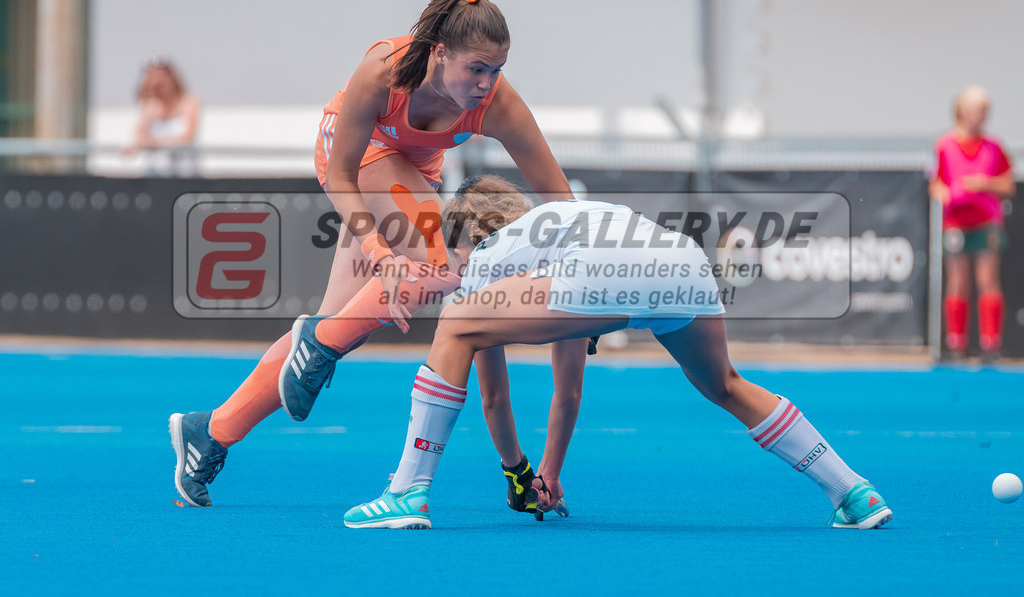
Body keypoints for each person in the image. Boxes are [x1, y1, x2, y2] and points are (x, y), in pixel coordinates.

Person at [169, 0, 583, 508]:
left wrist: (580, 275)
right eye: (476, 69)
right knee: (437, 263)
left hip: (412, 173)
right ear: (439, 53)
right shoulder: (385, 70)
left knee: (346, 317)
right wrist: (381, 254)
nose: (486, 83)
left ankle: (210, 431)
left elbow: (563, 204)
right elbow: (342, 174)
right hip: (349, 159)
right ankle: (319, 343)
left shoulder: (497, 105)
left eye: (496, 70)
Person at [293, 175, 893, 530]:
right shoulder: (556, 228)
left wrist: (518, 472)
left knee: (453, 327)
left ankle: (406, 492)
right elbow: (568, 390)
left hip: (602, 276)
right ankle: (853, 492)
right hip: (680, 262)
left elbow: (496, 396)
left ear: (469, 237)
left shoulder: (491, 258)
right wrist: (548, 474)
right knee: (727, 385)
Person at [929, 86, 1015, 361]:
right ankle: (957, 344)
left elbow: (1008, 185)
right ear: (963, 111)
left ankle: (991, 344)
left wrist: (985, 183)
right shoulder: (944, 145)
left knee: (987, 279)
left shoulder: (995, 146)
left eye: (985, 111)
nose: (982, 116)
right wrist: (941, 191)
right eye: (978, 110)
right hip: (955, 221)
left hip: (986, 221)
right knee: (957, 281)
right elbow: (936, 181)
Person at [123, 58, 201, 177]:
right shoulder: (149, 106)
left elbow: (188, 137)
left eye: (161, 84)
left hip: (185, 175)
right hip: (155, 174)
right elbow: (140, 135)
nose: (157, 90)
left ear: (172, 80)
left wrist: (155, 143)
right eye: (153, 85)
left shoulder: (189, 102)